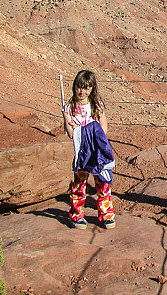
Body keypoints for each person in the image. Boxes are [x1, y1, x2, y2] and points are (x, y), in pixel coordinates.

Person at [62, 70, 116, 229]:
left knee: (103, 183)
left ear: (92, 89)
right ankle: (76, 214)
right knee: (79, 183)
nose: (82, 91)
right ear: (74, 87)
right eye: (80, 87)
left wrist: (83, 128)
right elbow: (71, 133)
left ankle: (106, 215)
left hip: (97, 151)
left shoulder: (97, 106)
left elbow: (103, 129)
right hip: (81, 152)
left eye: (86, 88)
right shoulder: (69, 108)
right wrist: (92, 128)